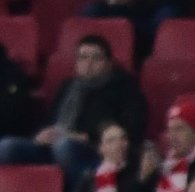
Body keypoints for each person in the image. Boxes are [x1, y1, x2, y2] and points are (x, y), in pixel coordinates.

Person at [0, 36, 146, 182]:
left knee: (64, 147)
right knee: (7, 147)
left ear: (108, 63)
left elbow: (129, 130)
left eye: (96, 58)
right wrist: (41, 135)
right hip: (54, 145)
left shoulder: (124, 89)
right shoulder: (67, 86)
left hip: (93, 149)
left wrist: (85, 137)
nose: (89, 64)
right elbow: (49, 120)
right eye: (83, 58)